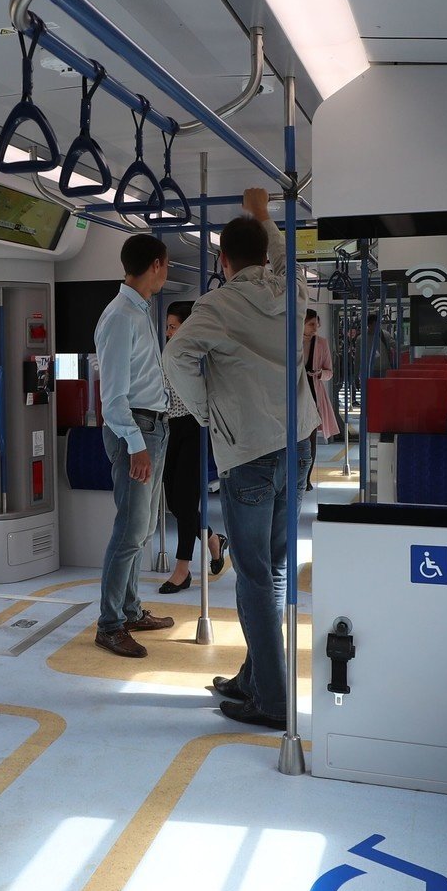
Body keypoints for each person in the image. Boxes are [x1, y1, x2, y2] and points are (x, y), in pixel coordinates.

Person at [164, 187, 315, 729]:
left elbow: (176, 356)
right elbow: (284, 254)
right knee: (272, 570)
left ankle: (272, 699)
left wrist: (205, 409)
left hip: (249, 450)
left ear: (223, 260)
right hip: (298, 445)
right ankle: (254, 678)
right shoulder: (292, 288)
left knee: (253, 577)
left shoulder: (217, 306)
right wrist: (265, 215)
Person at [93, 232, 178, 657]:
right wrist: (135, 444)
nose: (167, 272)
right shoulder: (120, 316)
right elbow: (112, 398)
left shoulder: (139, 310)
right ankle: (109, 625)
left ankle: (129, 610)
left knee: (142, 530)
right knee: (129, 531)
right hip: (136, 430)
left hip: (152, 427)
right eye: (167, 264)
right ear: (156, 265)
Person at [159, 301, 226, 593]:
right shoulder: (167, 352)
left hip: (196, 427)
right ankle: (213, 539)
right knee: (174, 502)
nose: (168, 332)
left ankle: (182, 569)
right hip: (170, 427)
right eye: (168, 327)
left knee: (186, 502)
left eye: (173, 327)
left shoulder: (202, 355)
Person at [302, 311, 341, 490]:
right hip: (294, 394)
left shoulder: (322, 343)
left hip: (313, 393)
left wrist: (319, 374)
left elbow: (329, 372)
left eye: (316, 325)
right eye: (311, 324)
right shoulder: (289, 340)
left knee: (310, 440)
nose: (314, 329)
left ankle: (306, 478)